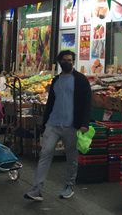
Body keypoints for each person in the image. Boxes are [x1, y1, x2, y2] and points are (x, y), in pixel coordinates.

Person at [25, 50, 91, 202]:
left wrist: (84, 123)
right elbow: (50, 102)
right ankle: (36, 189)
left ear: (73, 62)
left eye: (70, 60)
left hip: (72, 126)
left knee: (71, 157)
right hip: (53, 124)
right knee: (45, 153)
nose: (68, 62)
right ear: (60, 62)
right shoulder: (56, 80)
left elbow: (87, 103)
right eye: (65, 60)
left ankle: (69, 186)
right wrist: (45, 122)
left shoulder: (81, 80)